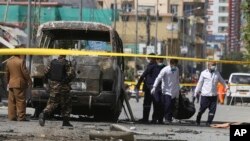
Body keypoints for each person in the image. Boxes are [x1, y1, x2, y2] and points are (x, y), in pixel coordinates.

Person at [39, 55, 75, 127]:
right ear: (65, 56)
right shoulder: (67, 63)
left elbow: (46, 72)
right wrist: (65, 81)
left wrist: (50, 81)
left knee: (52, 102)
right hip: (63, 87)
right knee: (67, 104)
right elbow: (71, 74)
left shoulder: (52, 62)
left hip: (53, 86)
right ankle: (66, 122)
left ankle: (44, 113)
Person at [194, 61, 228, 126]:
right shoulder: (203, 73)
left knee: (212, 111)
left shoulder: (217, 73)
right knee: (202, 109)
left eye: (215, 65)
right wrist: (196, 92)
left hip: (214, 95)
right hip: (205, 95)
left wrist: (226, 87)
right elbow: (199, 83)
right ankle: (198, 119)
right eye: (213, 65)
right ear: (208, 66)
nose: (214, 66)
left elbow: (222, 81)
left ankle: (209, 122)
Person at [151, 59, 180, 123]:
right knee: (167, 105)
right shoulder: (165, 70)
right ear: (171, 64)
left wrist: (178, 90)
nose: (174, 66)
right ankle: (166, 118)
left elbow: (177, 79)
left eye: (176, 65)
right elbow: (158, 78)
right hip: (166, 90)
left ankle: (168, 119)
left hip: (174, 90)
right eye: (173, 65)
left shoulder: (177, 69)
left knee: (171, 106)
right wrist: (154, 87)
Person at [5, 55, 32, 121]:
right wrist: (29, 81)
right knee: (20, 101)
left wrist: (8, 82)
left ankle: (12, 116)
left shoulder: (9, 62)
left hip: (11, 83)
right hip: (19, 84)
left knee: (11, 101)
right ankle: (21, 117)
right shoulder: (21, 61)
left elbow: (7, 73)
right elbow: (25, 72)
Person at [135, 53, 157, 123]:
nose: (148, 59)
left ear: (151, 59)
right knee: (155, 104)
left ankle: (145, 119)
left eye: (149, 58)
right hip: (156, 88)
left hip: (149, 87)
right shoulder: (157, 66)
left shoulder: (151, 66)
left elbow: (143, 75)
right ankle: (154, 119)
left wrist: (138, 84)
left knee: (147, 104)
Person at [151, 57, 166, 124]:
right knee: (156, 103)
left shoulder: (166, 68)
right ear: (156, 60)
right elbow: (145, 74)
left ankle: (160, 119)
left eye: (161, 59)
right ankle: (154, 119)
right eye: (158, 59)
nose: (160, 60)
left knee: (162, 104)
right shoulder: (153, 67)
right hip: (156, 88)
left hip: (164, 88)